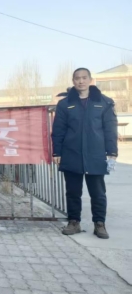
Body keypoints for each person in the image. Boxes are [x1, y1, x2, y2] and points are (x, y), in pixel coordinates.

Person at [51, 68, 118, 239]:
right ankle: (74, 222)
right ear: (73, 81)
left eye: (84, 78)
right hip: (71, 154)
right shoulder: (65, 104)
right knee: (73, 192)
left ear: (90, 80)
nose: (81, 81)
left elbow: (110, 129)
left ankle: (99, 224)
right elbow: (58, 130)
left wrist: (112, 152)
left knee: (98, 193)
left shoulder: (104, 102)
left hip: (95, 155)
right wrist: (57, 152)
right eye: (77, 78)